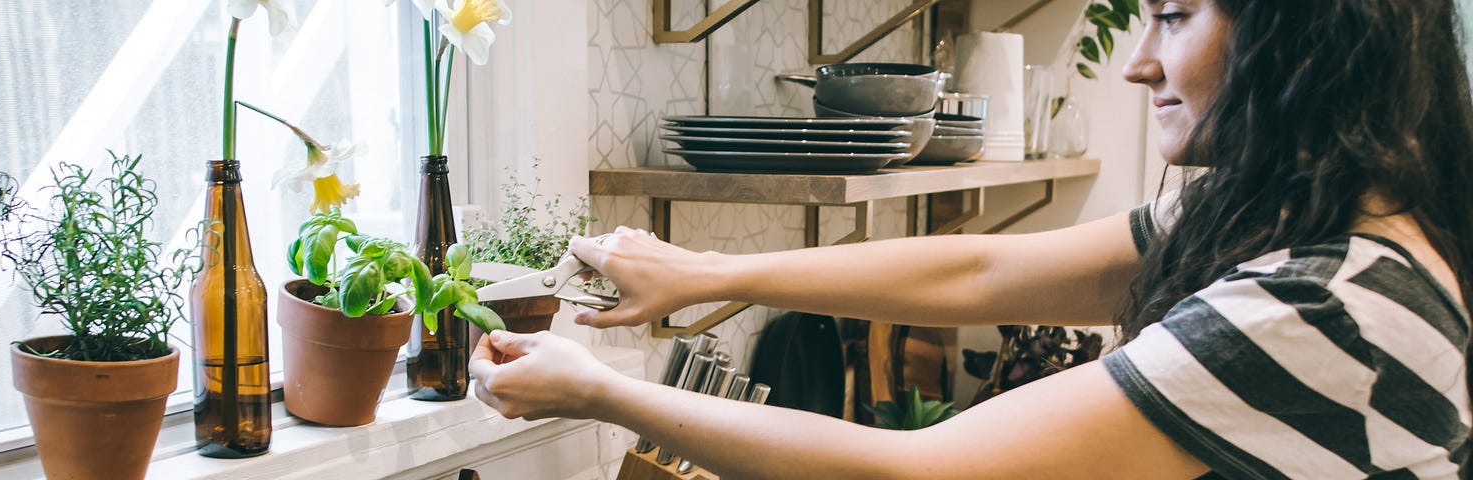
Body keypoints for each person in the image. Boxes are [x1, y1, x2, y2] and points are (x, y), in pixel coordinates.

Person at [469, 0, 1473, 477]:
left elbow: (924, 475)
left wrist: (597, 389)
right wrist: (701, 272)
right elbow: (983, 266)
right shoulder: (1291, 219)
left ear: (1303, 31)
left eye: (1170, 16)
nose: (1136, 65)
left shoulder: (1320, 304)